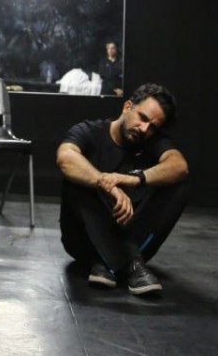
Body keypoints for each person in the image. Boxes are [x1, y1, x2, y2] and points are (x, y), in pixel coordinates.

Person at [56, 83, 189, 295]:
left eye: (152, 127)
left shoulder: (151, 141)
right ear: (127, 106)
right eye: (142, 118)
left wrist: (135, 179)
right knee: (76, 178)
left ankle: (106, 262)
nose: (144, 129)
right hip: (83, 242)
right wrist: (105, 184)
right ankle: (131, 263)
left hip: (131, 234)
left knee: (178, 185)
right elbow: (65, 158)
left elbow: (179, 166)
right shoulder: (90, 131)